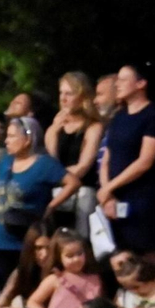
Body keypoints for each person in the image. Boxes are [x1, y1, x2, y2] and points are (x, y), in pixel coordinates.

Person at [0, 116, 75, 283]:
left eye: (12, 136)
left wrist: (51, 206)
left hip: (27, 239)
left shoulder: (44, 164)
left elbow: (73, 183)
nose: (6, 141)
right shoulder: (5, 162)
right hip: (0, 238)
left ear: (27, 139)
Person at [98, 63, 155, 260]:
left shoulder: (154, 115)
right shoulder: (118, 117)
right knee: (119, 255)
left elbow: (145, 161)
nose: (117, 85)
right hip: (114, 197)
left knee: (145, 256)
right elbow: (106, 158)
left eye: (123, 80)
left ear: (140, 83)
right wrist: (107, 193)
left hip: (142, 198)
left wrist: (109, 187)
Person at [46, 72, 104, 236]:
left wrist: (59, 177)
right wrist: (54, 132)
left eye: (69, 94)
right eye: (61, 93)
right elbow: (50, 163)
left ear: (82, 96)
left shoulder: (93, 127)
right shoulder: (53, 128)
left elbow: (84, 166)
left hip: (83, 192)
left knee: (80, 237)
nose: (63, 99)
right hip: (57, 190)